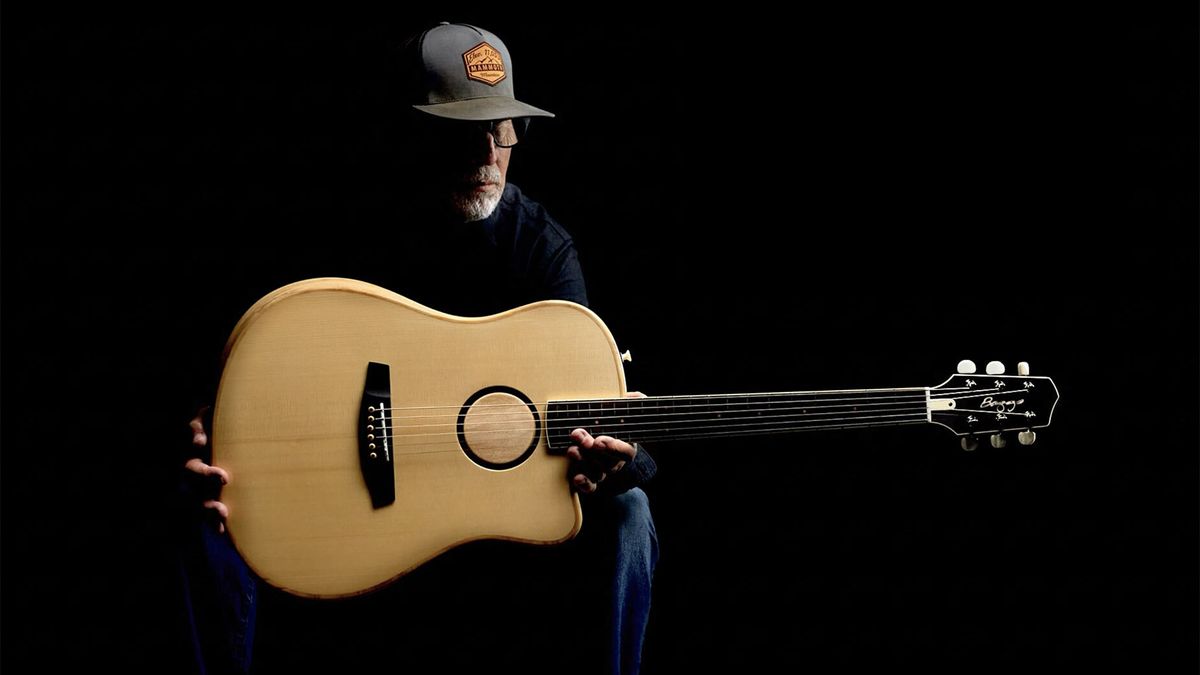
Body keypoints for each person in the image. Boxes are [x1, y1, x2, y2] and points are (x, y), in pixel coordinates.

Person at [175, 22, 658, 675]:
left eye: (503, 127)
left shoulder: (544, 251)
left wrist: (624, 460)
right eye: (465, 128)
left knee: (629, 513)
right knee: (204, 522)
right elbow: (263, 350)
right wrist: (213, 416)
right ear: (407, 132)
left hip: (472, 512)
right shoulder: (344, 227)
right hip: (344, 496)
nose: (488, 152)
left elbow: (587, 413)